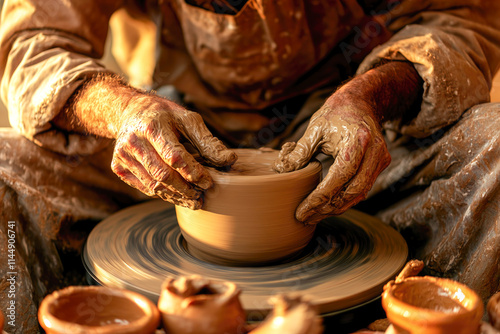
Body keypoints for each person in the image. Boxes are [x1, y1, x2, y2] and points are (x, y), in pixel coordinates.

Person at [0, 0, 499, 332]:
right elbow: (34, 41)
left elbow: (461, 18)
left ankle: (424, 313)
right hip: (170, 134)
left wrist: (371, 95)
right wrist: (122, 110)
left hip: (354, 138)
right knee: (6, 170)